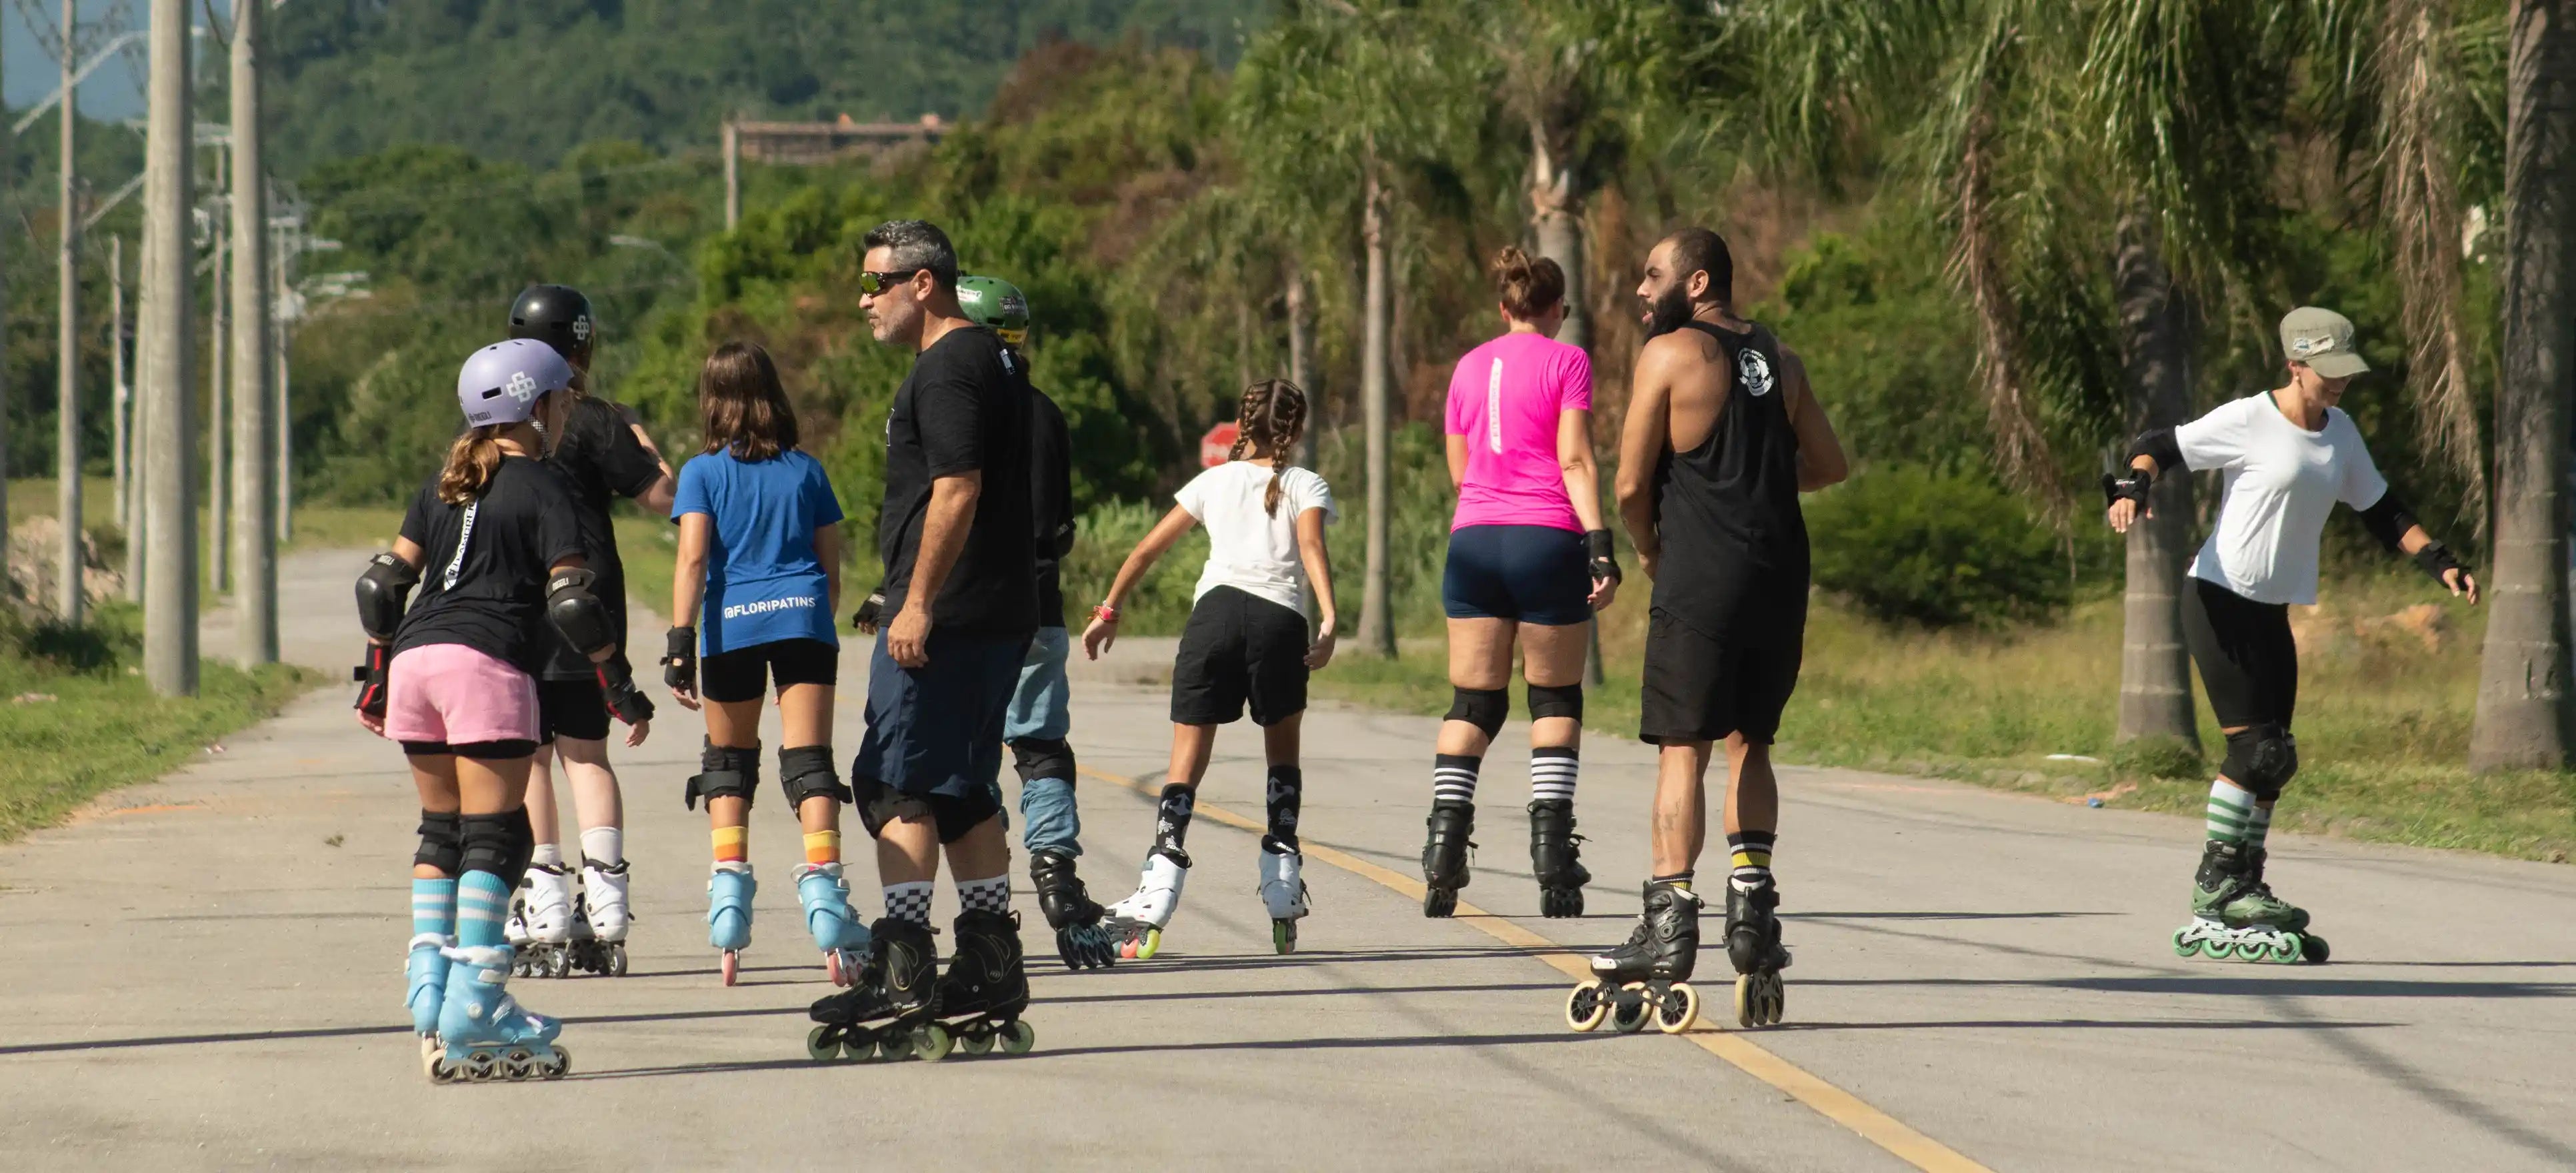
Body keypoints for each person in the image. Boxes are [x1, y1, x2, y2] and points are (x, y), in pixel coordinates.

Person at [2106, 307, 2477, 966]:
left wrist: (2440, 559)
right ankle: (2216, 883)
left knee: (2278, 759)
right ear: (2295, 364)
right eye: (2327, 373)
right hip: (2218, 599)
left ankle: (2245, 881)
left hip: (2271, 608)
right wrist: (2134, 486)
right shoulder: (2250, 419)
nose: (2339, 385)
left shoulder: (2342, 434)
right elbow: (2160, 443)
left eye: (2346, 374)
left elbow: (2384, 511)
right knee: (2255, 749)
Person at [1580, 228, 1845, 1036]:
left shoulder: (1671, 354)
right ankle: (1753, 916)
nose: (1639, 289)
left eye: (1651, 275)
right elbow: (1829, 463)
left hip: (1702, 576)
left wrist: (1652, 546)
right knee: (1750, 741)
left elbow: (1628, 481)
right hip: (1778, 577)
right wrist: (1761, 476)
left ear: (1696, 282)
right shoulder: (1783, 358)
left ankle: (1668, 922)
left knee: (1681, 748)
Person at [354, 338, 641, 1081]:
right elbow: (573, 603)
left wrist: (376, 675)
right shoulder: (547, 488)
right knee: (499, 835)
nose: (567, 412)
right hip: (486, 664)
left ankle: (429, 982)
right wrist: (616, 677)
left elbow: (382, 586)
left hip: (416, 660)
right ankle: (476, 998)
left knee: (441, 830)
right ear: (537, 406)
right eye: (562, 401)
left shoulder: (441, 485)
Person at [807, 221, 1038, 1062]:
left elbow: (957, 488)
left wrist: (916, 603)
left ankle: (904, 966)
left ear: (925, 284)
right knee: (962, 784)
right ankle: (988, 959)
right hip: (1001, 608)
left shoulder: (945, 368)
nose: (863, 299)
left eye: (876, 282)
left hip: (947, 614)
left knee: (896, 778)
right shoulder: (1000, 362)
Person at [1081, 379, 1338, 958]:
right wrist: (1329, 618)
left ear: (1242, 422)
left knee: (1186, 761)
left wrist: (1108, 610)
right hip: (1280, 624)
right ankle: (1282, 884)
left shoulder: (1213, 481)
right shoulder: (1304, 483)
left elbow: (1147, 549)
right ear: (1295, 431)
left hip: (1214, 619)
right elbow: (1313, 548)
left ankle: (1156, 892)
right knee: (1283, 754)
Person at [1421, 247, 1620, 922]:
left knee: (1473, 703)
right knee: (1554, 696)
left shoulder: (1468, 366)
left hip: (1474, 538)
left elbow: (1458, 466)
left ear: (1504, 308)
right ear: (1558, 308)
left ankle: (1444, 848)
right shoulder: (1569, 361)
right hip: (1545, 537)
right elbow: (1573, 456)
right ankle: (1552, 856)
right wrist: (1599, 545)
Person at [659, 342, 867, 988]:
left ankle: (728, 905)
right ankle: (828, 904)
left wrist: (679, 641)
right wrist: (810, 620)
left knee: (728, 762)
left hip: (733, 625)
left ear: (712, 400)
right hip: (803, 618)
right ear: (772, 394)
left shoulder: (701, 472)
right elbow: (831, 566)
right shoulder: (808, 471)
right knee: (809, 762)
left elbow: (693, 559)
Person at [499, 284, 673, 980]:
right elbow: (663, 496)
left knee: (532, 757)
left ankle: (544, 900)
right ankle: (607, 906)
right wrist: (648, 447)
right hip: (589, 599)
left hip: (520, 601)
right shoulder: (598, 418)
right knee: (588, 754)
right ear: (584, 345)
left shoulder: (498, 418)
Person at [963, 273, 1117, 970]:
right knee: (1042, 747)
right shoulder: (1047, 412)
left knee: (973, 756)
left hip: (969, 607)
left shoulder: (956, 409)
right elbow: (1059, 528)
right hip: (1040, 604)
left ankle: (989, 899)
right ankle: (1057, 879)